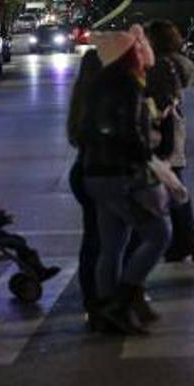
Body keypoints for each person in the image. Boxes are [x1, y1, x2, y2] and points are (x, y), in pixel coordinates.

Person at [84, 26, 174, 336]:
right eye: (136, 51)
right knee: (159, 234)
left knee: (112, 246)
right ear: (127, 57)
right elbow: (130, 135)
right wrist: (150, 143)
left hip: (96, 174)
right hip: (121, 175)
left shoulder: (98, 86)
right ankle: (121, 302)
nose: (142, 54)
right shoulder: (128, 88)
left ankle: (106, 306)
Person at [145, 20, 194, 262]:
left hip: (163, 132)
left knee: (172, 189)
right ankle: (185, 240)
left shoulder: (161, 66)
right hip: (172, 131)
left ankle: (184, 240)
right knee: (174, 187)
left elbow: (163, 99)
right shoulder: (173, 64)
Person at [66, 49, 104, 323]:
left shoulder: (81, 96)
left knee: (94, 237)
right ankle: (104, 295)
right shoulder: (104, 98)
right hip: (99, 172)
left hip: (83, 171)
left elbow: (74, 137)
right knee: (105, 239)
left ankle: (93, 297)